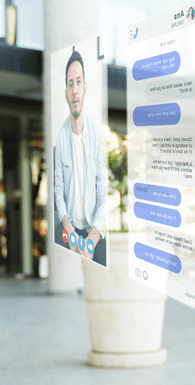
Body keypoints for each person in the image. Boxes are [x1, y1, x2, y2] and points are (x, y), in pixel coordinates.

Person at [53, 49, 107, 266]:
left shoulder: (97, 137)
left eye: (78, 82)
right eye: (70, 84)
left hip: (93, 229)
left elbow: (104, 198)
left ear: (85, 88)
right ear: (66, 93)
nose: (75, 90)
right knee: (60, 240)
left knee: (102, 263)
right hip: (70, 226)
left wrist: (92, 239)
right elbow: (58, 191)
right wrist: (68, 229)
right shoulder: (61, 136)